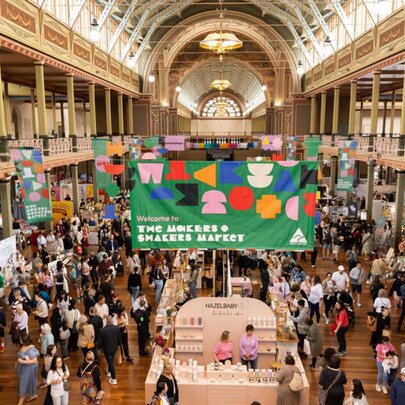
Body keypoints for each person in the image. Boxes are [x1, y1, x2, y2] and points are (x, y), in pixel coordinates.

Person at [16, 334, 39, 405]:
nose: (19, 339)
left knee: (23, 383)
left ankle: (20, 402)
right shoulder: (24, 345)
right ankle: (34, 395)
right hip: (23, 368)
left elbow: (34, 360)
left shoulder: (31, 348)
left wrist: (22, 361)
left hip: (28, 369)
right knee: (31, 381)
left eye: (20, 339)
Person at [100, 315, 122, 385]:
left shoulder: (102, 330)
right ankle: (109, 370)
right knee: (111, 360)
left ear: (106, 321)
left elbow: (100, 341)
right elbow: (119, 339)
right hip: (114, 348)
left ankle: (113, 378)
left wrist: (99, 348)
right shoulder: (116, 328)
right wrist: (119, 346)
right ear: (111, 321)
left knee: (110, 362)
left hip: (106, 349)